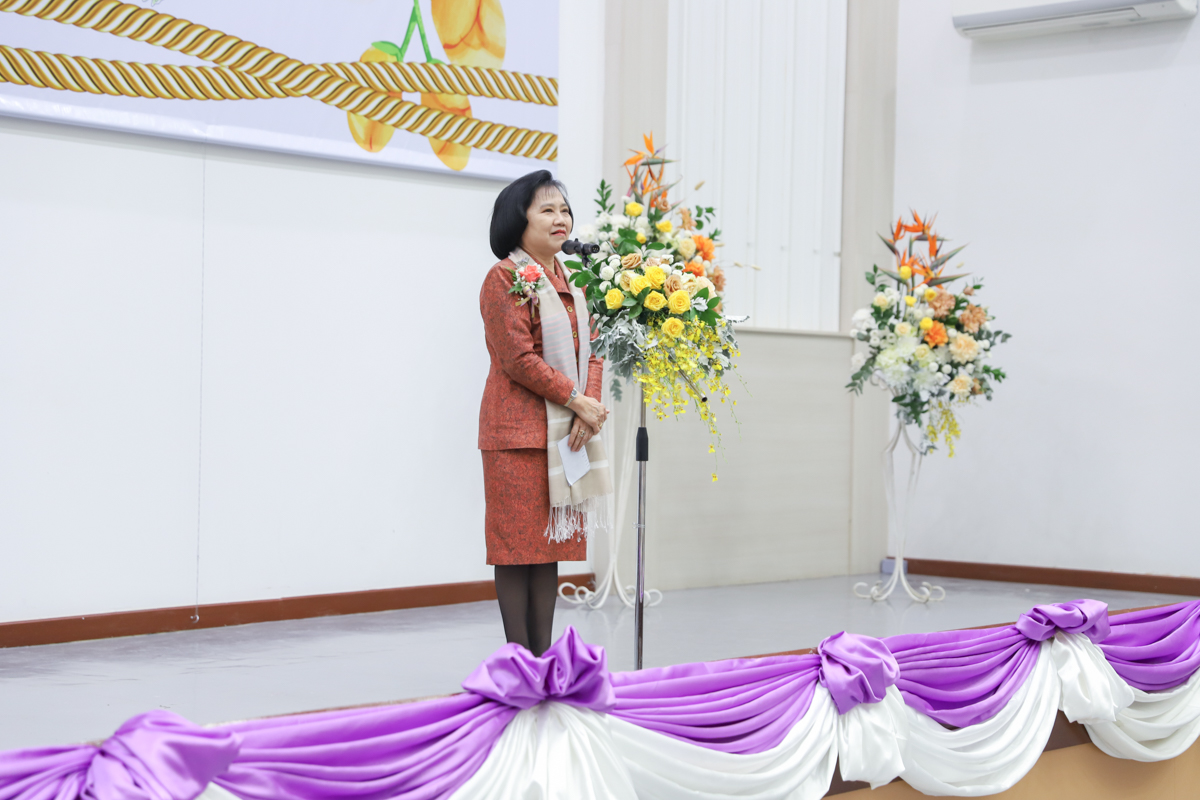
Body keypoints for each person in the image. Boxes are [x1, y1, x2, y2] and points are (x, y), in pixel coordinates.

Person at [478, 170, 612, 656]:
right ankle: (519, 663)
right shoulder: (504, 277)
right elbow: (518, 358)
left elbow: (594, 349)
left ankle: (543, 659)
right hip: (515, 434)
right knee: (517, 551)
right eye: (547, 210)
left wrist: (588, 409)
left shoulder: (574, 281)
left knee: (547, 549)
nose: (561, 219)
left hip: (565, 434)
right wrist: (576, 399)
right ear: (518, 220)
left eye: (565, 210)